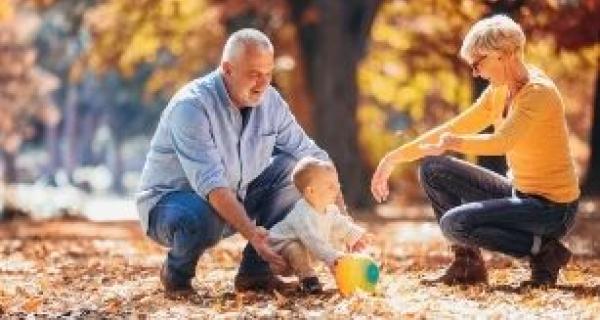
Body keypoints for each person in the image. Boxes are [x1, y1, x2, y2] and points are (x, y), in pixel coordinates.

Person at [371, 15, 579, 287]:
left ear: (504, 55)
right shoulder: (499, 91)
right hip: (520, 193)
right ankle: (467, 265)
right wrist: (393, 158)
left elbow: (503, 141)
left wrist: (455, 142)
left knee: (454, 224)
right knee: (433, 169)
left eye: (478, 63)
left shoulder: (539, 93)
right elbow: (454, 126)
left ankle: (544, 251)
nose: (475, 72)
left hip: (552, 210)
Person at [136, 28, 340, 297]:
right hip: (172, 205)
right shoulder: (192, 107)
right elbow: (213, 186)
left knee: (298, 169)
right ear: (227, 69)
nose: (262, 83)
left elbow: (309, 153)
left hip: (234, 195)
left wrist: (338, 206)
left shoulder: (271, 101)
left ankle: (256, 275)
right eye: (254, 74)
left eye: (268, 74)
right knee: (203, 215)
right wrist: (256, 238)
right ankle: (176, 275)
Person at [267, 157, 371, 293]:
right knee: (295, 249)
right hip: (278, 249)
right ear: (310, 192)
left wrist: (355, 235)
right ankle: (308, 279)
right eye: (330, 186)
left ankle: (344, 275)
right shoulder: (301, 214)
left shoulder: (330, 209)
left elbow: (340, 224)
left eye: (337, 184)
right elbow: (313, 240)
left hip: (307, 246)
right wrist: (334, 256)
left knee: (334, 239)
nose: (337, 189)